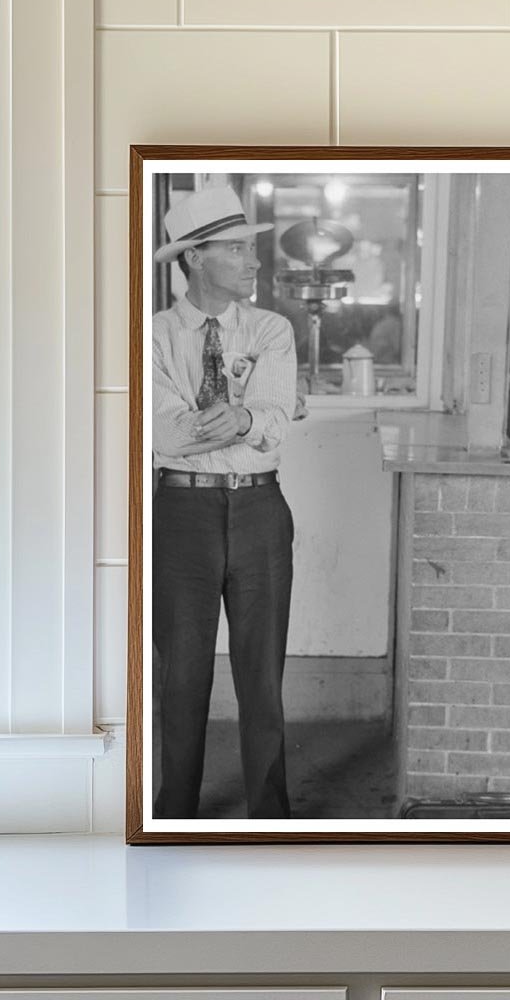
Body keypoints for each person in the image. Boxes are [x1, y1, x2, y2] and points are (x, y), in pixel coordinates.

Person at [150, 184, 297, 819]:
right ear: (195, 258)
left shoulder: (272, 330)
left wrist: (248, 418)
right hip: (182, 514)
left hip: (261, 510)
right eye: (236, 249)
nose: (253, 260)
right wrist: (242, 419)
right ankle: (174, 813)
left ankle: (271, 814)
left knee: (262, 675)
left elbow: (274, 422)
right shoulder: (154, 336)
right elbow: (164, 435)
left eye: (249, 248)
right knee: (182, 673)